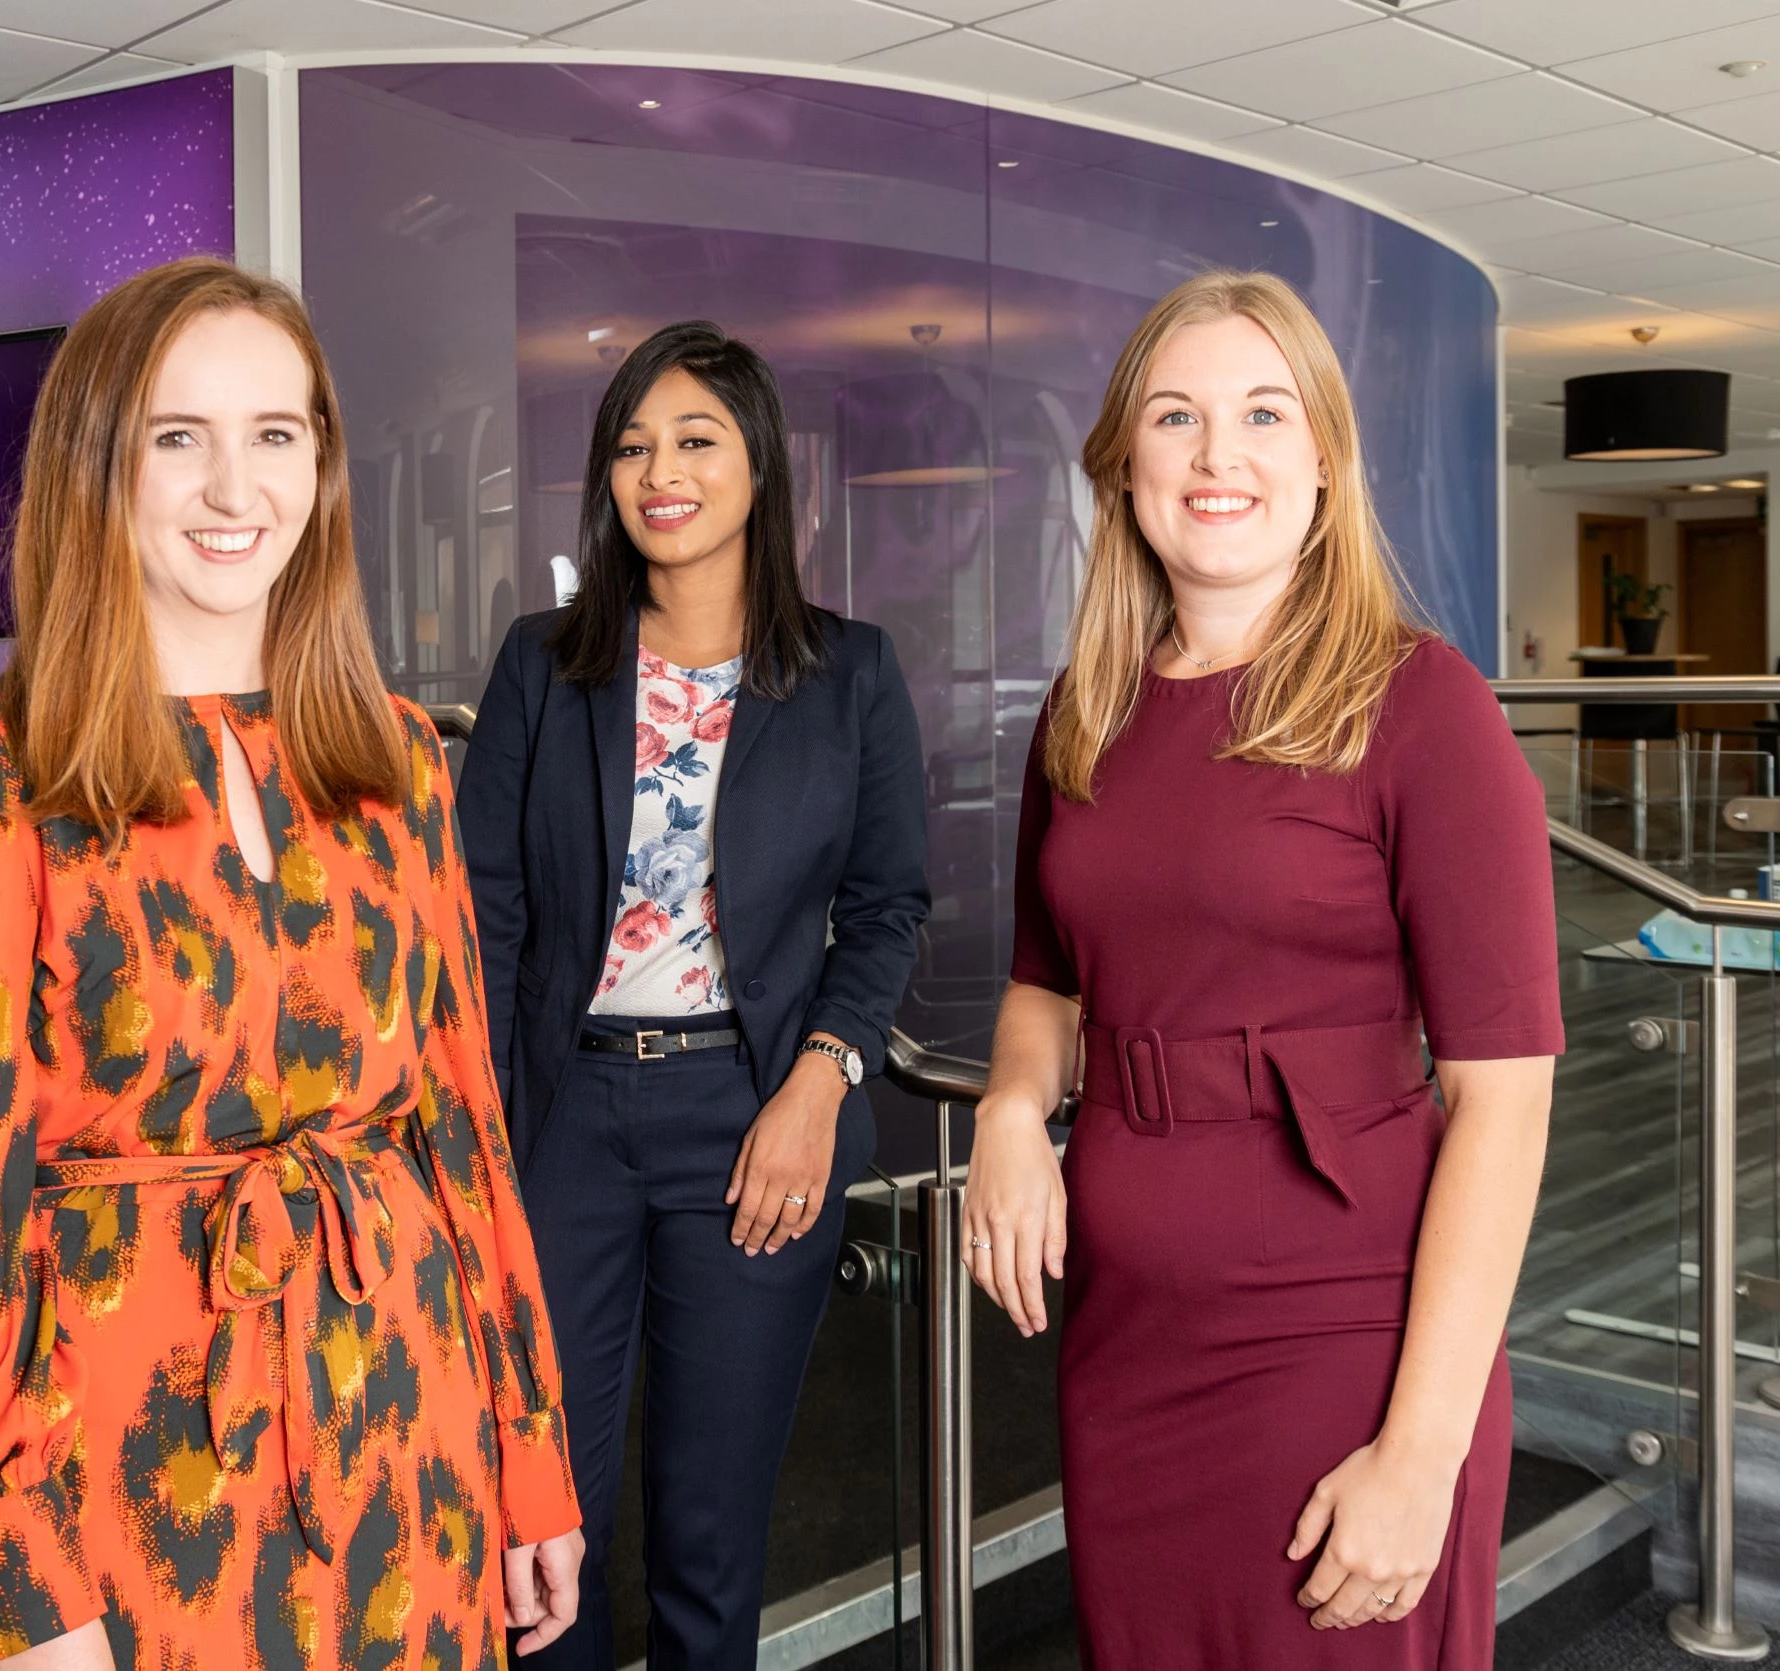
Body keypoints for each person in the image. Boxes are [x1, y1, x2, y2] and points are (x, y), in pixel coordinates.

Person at [0, 256, 583, 1671]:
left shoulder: (401, 763)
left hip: (406, 1433)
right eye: (180, 438)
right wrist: (17, 1590)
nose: (236, 491)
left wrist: (529, 1457)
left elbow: (465, 1137)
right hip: (120, 1475)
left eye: (275, 437)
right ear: (98, 466)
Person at [961, 270, 1560, 1668]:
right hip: (1130, 1340)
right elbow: (1048, 984)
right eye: (1176, 416)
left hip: (1345, 1337)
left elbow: (1505, 1099)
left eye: (1263, 413)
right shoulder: (1088, 707)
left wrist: (1421, 1450)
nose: (1218, 455)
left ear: (1326, 460)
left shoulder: (1426, 707)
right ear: (1124, 465)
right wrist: (1006, 1110)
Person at [456, 320, 927, 1669]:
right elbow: (482, 910)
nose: (660, 468)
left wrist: (818, 1089)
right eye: (632, 443)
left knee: (710, 1540)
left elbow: (887, 909)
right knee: (537, 1520)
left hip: (753, 1112)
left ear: (761, 468)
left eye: (697, 438)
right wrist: (481, 1125)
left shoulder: (851, 676)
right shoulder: (543, 664)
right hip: (560, 1114)